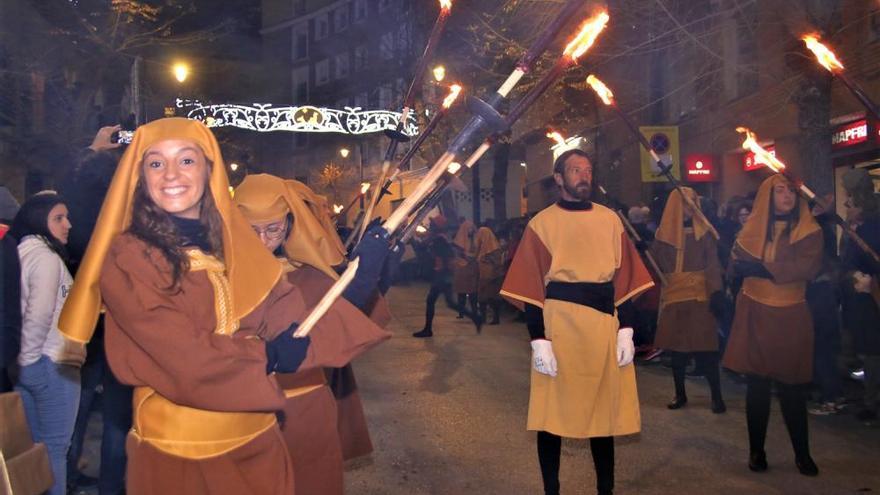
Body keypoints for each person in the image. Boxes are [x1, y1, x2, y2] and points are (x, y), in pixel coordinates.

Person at [56, 117, 390, 494]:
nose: (170, 174)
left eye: (186, 160)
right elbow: (183, 355)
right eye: (155, 163)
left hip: (257, 446)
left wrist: (358, 284)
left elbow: (292, 324)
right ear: (139, 177)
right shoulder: (131, 256)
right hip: (183, 458)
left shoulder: (233, 250)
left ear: (208, 170)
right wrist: (267, 357)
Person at [500, 149, 654, 495]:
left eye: (587, 170)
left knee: (604, 416)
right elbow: (530, 286)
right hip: (560, 327)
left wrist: (627, 329)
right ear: (559, 178)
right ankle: (551, 490)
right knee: (551, 414)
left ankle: (605, 490)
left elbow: (625, 279)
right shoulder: (542, 224)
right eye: (574, 170)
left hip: (603, 326)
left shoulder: (610, 219)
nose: (583, 175)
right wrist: (538, 339)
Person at [234, 173, 392, 494]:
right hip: (241, 413)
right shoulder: (216, 274)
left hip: (305, 409)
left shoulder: (307, 272)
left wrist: (366, 280)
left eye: (273, 229)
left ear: (290, 224)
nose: (263, 241)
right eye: (251, 231)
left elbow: (344, 324)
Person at [722, 174, 823, 476]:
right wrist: (736, 262)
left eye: (791, 191)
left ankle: (802, 454)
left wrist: (763, 268)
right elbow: (734, 268)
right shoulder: (750, 231)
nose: (787, 196)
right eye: (779, 191)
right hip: (755, 312)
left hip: (791, 314)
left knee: (792, 390)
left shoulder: (810, 230)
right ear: (767, 196)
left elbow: (807, 267)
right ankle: (757, 451)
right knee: (758, 388)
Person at [61, 124, 133, 494]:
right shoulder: (121, 215)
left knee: (92, 411)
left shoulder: (91, 223)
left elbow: (73, 210)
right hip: (104, 330)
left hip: (105, 328)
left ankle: (77, 479)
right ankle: (101, 484)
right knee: (106, 415)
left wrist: (93, 151)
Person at [10, 191, 86, 495]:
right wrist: (30, 364)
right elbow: (38, 314)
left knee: (32, 448)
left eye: (66, 217)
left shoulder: (20, 252)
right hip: (50, 365)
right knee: (55, 449)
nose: (68, 224)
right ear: (38, 220)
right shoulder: (46, 258)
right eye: (58, 218)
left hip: (27, 363)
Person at [649, 187, 725, 413]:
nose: (689, 207)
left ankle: (717, 397)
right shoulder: (664, 235)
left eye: (692, 202)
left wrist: (716, 292)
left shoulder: (704, 233)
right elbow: (658, 264)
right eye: (684, 202)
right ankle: (680, 394)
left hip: (699, 296)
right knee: (678, 351)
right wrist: (647, 250)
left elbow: (712, 264)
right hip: (675, 296)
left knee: (707, 349)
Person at [839, 168, 880, 424]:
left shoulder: (873, 226)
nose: (846, 203)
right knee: (860, 351)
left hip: (872, 299)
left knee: (872, 352)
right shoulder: (853, 226)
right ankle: (865, 396)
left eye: (850, 200)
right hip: (856, 301)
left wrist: (870, 281)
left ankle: (872, 403)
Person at [412, 216, 478, 338]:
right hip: (443, 274)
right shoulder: (440, 238)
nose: (430, 226)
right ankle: (475, 317)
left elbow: (442, 255)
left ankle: (428, 329)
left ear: (437, 227)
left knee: (432, 301)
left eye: (432, 224)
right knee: (449, 303)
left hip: (442, 274)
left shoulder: (439, 239)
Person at [475, 225, 505, 325]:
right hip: (484, 276)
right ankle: (483, 318)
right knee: (482, 298)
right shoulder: (483, 247)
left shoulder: (495, 248)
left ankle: (496, 318)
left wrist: (486, 260)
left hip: (493, 277)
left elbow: (497, 263)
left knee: (492, 298)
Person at [452, 220, 478, 320]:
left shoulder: (477, 238)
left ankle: (474, 311)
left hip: (473, 267)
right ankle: (461, 312)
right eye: (469, 228)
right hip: (461, 267)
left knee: (473, 292)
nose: (471, 230)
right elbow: (458, 253)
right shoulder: (459, 240)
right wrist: (467, 257)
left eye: (472, 228)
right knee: (461, 291)